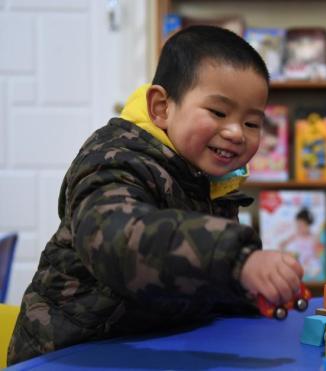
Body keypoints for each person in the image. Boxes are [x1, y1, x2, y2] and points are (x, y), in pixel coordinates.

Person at [8, 25, 303, 365]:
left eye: (252, 123)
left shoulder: (207, 177)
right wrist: (235, 260)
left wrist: (248, 290)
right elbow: (119, 238)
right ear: (162, 107)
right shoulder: (116, 160)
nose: (236, 132)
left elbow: (191, 279)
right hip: (68, 354)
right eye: (219, 113)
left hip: (150, 348)